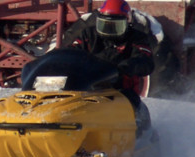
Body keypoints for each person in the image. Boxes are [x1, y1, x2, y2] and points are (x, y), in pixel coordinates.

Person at [63, 0, 156, 136]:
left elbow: (145, 59)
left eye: (115, 26)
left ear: (126, 24)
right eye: (104, 25)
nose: (109, 31)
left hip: (120, 90)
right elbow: (70, 51)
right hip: (86, 86)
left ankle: (133, 137)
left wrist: (129, 66)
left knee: (131, 104)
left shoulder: (137, 38)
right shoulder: (88, 35)